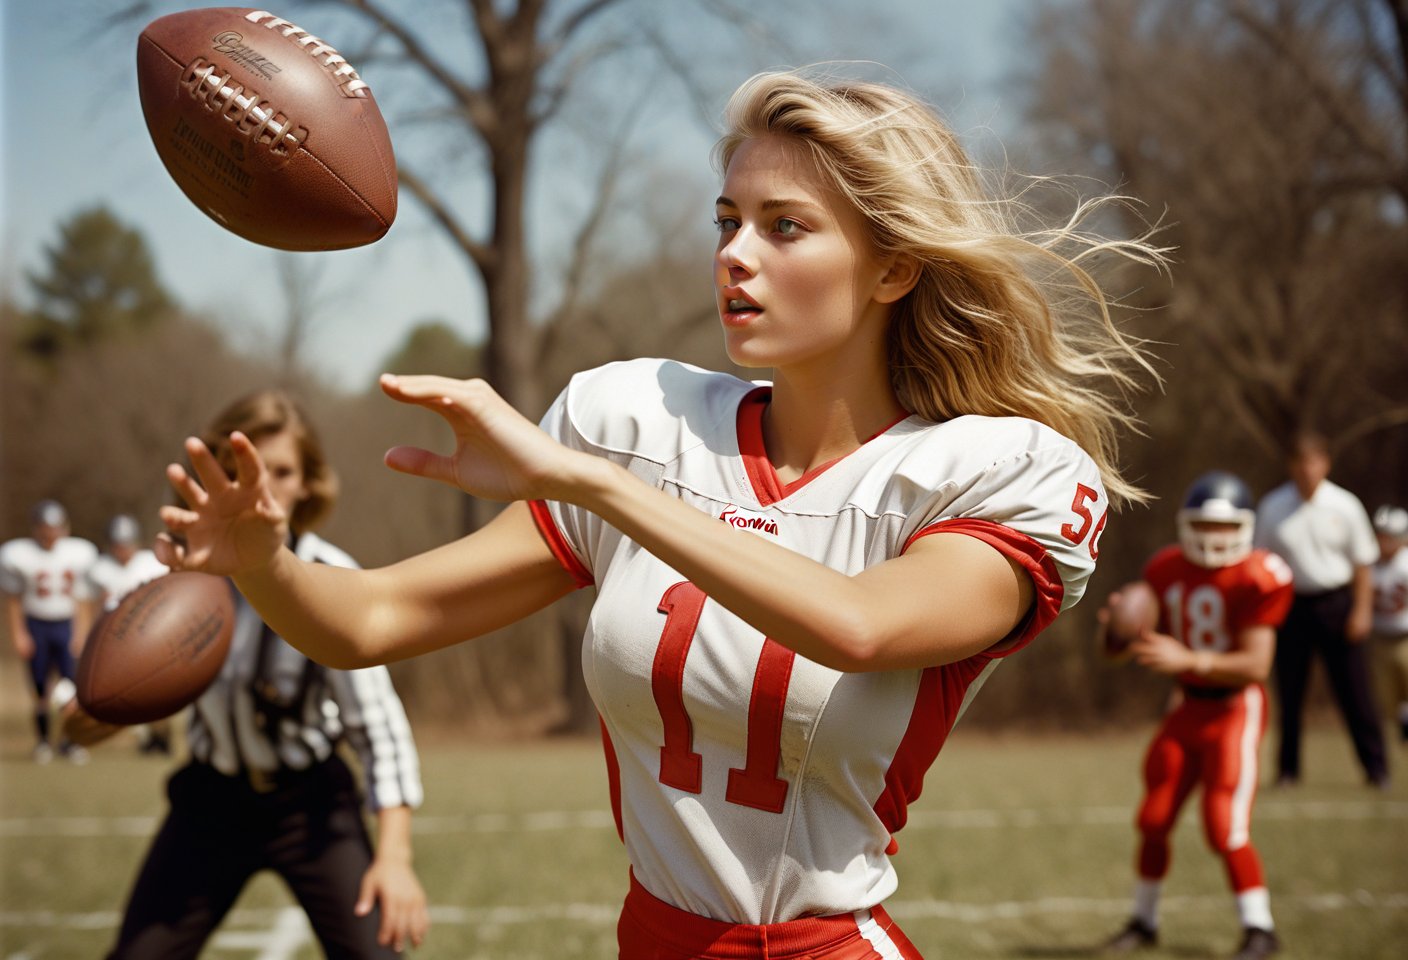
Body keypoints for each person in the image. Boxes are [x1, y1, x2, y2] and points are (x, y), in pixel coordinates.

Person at [154, 70, 1165, 959]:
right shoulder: (641, 421)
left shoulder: (987, 469)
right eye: (727, 220)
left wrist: (591, 486)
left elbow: (859, 627)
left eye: (784, 226)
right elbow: (370, 621)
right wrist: (261, 561)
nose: (734, 254)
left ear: (893, 268)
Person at [105, 390, 429, 959]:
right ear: (221, 473)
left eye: (281, 470)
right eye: (244, 467)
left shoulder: (333, 575)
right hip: (210, 801)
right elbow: (133, 687)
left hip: (310, 809)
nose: (263, 485)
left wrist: (394, 857)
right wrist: (94, 713)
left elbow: (378, 728)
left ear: (307, 483)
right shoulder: (177, 573)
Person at [1096, 472, 1294, 960]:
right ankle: (1144, 921)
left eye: (1224, 528)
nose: (1213, 537)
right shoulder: (1166, 569)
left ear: (1244, 529)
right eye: (1204, 525)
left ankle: (1260, 929)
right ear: (1186, 525)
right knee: (1155, 817)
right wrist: (1116, 634)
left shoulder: (1259, 574)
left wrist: (1190, 660)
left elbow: (1257, 665)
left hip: (1235, 708)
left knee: (1223, 824)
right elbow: (1123, 654)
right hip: (1186, 706)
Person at [1253, 430, 1386, 789]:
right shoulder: (1273, 507)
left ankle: (1376, 769)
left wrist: (1361, 611)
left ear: (1325, 463)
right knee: (1291, 694)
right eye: (1300, 461)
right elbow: (1259, 562)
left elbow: (1363, 564)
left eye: (1313, 461)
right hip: (1291, 607)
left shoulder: (1345, 505)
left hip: (1337, 604)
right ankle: (1288, 772)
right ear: (1291, 465)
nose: (1307, 469)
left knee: (1355, 693)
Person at [0, 499, 98, 764]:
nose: (50, 534)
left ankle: (71, 742)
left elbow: (83, 598)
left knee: (71, 691)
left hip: (65, 624)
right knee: (40, 690)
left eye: (54, 528)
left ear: (64, 528)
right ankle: (43, 742)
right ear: (35, 529)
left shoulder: (78, 553)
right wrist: (19, 634)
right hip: (37, 625)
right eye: (45, 528)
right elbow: (13, 599)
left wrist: (82, 632)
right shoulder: (18, 555)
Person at [85, 513, 173, 754]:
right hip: (118, 642)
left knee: (157, 692)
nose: (123, 550)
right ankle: (146, 736)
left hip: (150, 638)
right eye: (118, 545)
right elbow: (94, 608)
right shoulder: (101, 568)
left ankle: (162, 737)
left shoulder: (152, 563)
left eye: (127, 544)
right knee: (131, 694)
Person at [1370, 505, 1408, 744]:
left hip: (1405, 637)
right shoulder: (1369, 563)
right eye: (1380, 535)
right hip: (1379, 637)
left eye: (1389, 537)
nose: (1383, 542)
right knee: (1385, 701)